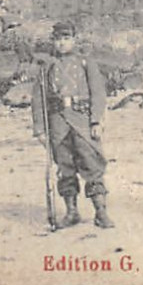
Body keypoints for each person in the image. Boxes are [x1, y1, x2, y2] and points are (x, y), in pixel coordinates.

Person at [32, 22, 114, 229]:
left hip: (82, 121)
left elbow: (98, 93)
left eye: (66, 38)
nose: (62, 43)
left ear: (74, 40)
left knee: (92, 164)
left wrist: (96, 120)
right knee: (65, 166)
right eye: (58, 39)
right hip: (58, 123)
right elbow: (38, 100)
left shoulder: (86, 63)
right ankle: (71, 212)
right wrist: (40, 129)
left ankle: (101, 211)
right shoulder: (46, 67)